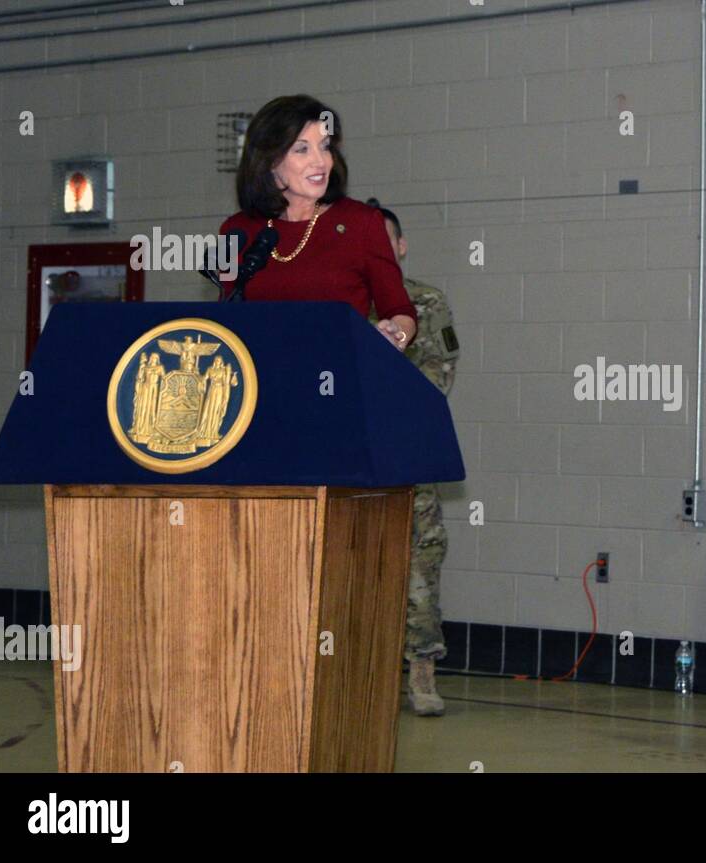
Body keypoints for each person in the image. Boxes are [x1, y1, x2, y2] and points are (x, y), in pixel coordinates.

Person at [219, 95, 417, 349]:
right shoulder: (238, 230)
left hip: (336, 378)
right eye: (302, 149)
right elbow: (226, 316)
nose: (320, 161)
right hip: (259, 380)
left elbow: (401, 311)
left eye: (324, 146)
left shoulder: (361, 223)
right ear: (269, 162)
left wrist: (395, 335)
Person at [367, 198, 459, 717]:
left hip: (407, 460)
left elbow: (436, 379)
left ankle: (421, 673)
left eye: (385, 241)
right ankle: (360, 671)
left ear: (400, 248)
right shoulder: (344, 301)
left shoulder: (425, 302)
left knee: (420, 568)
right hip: (351, 464)